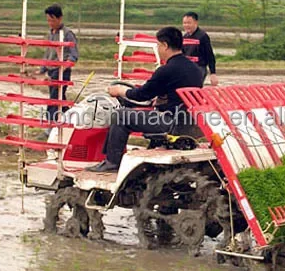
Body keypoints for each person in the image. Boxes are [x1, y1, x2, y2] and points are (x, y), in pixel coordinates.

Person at [86, 26, 203, 173]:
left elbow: (142, 95)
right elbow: (173, 92)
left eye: (158, 45)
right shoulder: (195, 69)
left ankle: (111, 162)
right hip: (187, 122)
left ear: (165, 45)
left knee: (121, 115)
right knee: (130, 114)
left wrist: (120, 91)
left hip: (169, 122)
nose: (158, 49)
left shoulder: (166, 70)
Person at [35, 4, 78, 138]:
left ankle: (50, 128)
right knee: (60, 100)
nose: (50, 23)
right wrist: (42, 69)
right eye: (48, 20)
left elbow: (74, 54)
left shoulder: (67, 34)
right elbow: (48, 53)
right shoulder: (50, 34)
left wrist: (65, 65)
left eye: (52, 20)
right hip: (52, 71)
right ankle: (72, 121)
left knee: (54, 99)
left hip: (62, 72)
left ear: (60, 18)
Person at [182, 11, 218, 86]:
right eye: (184, 23)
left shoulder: (202, 36)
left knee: (194, 90)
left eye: (189, 23)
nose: (186, 25)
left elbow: (209, 55)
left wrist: (213, 73)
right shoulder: (184, 37)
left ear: (196, 22)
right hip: (187, 67)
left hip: (199, 68)